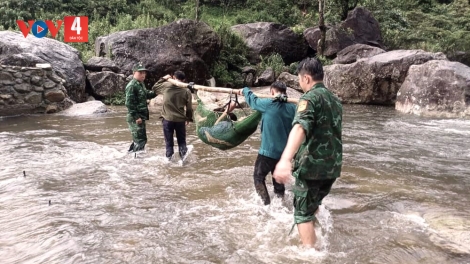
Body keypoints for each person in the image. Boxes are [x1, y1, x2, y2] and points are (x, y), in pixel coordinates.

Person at [273, 57, 343, 247]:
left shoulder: (309, 98)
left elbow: (300, 127)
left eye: (299, 79)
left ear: (306, 78)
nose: (300, 83)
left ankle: (310, 255)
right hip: (332, 168)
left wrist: (285, 159)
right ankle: (316, 236)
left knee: (302, 213)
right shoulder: (335, 100)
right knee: (312, 205)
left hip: (313, 167)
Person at [237, 81, 296, 205]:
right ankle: (280, 202)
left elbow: (253, 101)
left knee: (258, 177)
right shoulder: (293, 108)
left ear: (272, 92)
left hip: (267, 152)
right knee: (278, 179)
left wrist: (245, 90)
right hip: (284, 154)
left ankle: (266, 204)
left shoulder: (268, 104)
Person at [152, 71, 194, 160]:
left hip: (167, 119)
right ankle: (183, 161)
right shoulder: (186, 90)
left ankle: (169, 161)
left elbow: (154, 87)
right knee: (182, 142)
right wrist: (188, 118)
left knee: (169, 143)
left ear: (173, 77)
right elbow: (189, 107)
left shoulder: (166, 85)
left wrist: (164, 78)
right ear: (184, 80)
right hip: (180, 120)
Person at [125, 62, 157, 152]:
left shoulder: (140, 84)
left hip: (141, 116)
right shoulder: (132, 86)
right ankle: (137, 159)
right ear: (134, 73)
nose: (143, 75)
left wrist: (156, 92)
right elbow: (129, 103)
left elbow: (146, 94)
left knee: (140, 138)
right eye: (140, 73)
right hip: (135, 117)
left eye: (144, 73)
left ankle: (130, 155)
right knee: (140, 140)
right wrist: (137, 117)